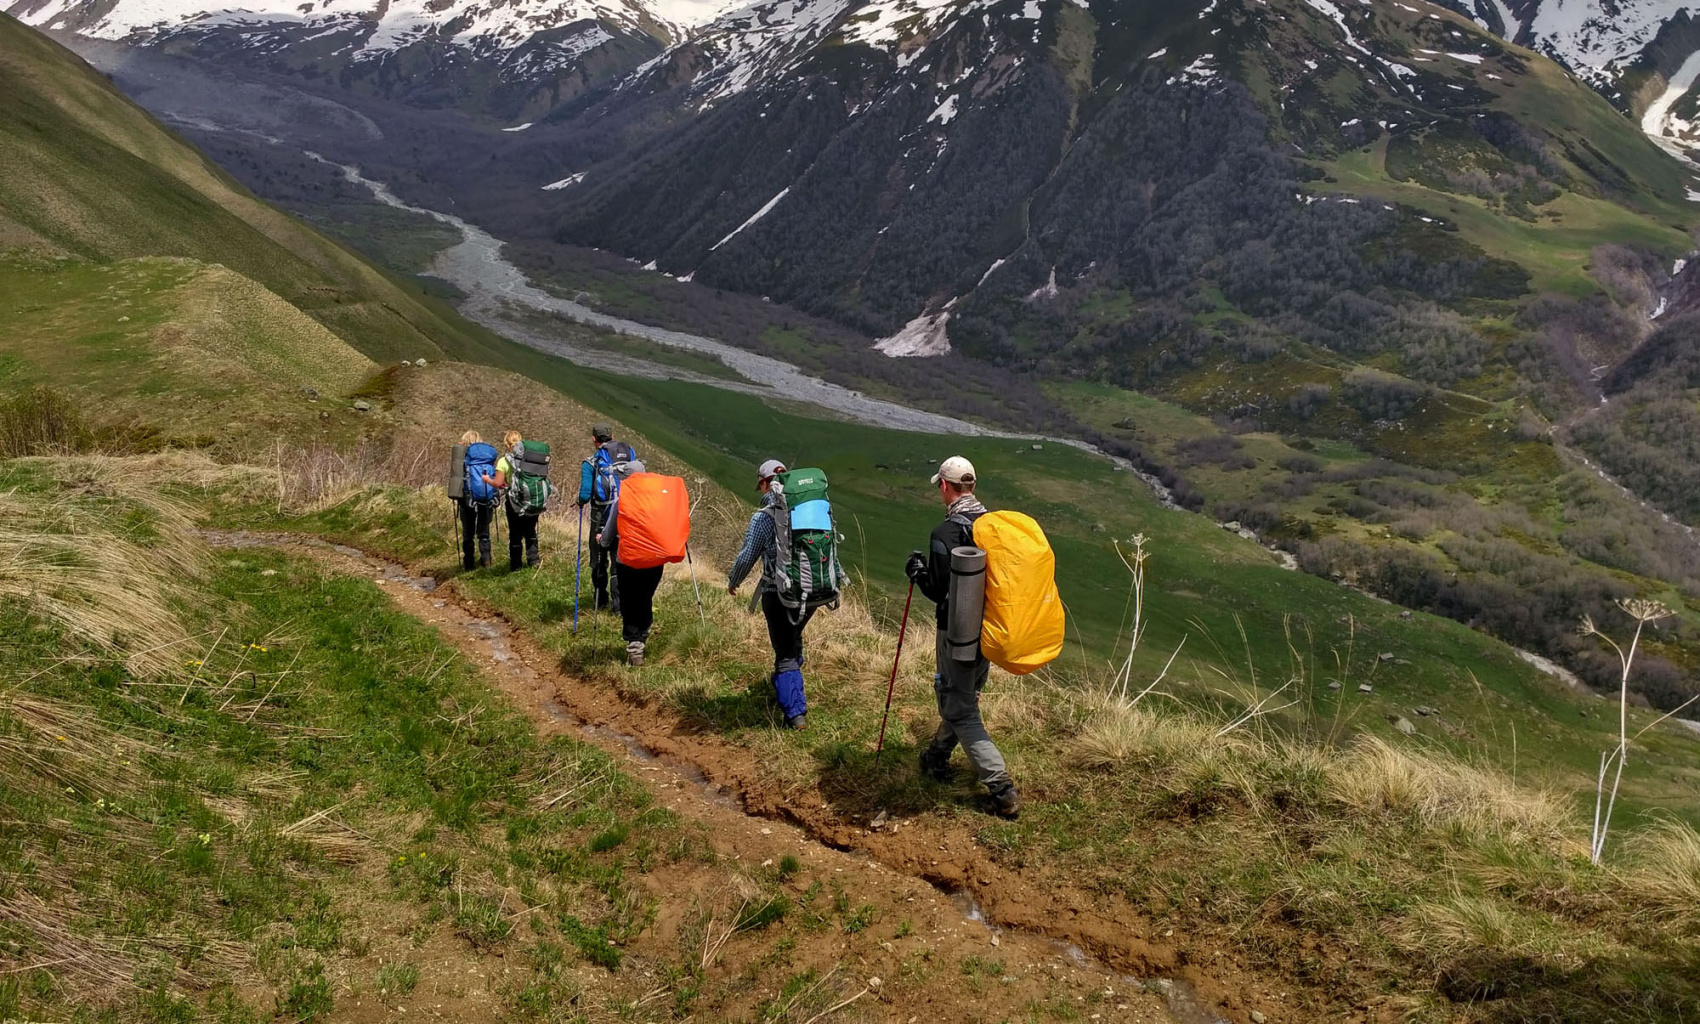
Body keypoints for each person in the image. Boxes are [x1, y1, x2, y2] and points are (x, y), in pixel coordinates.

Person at [904, 456, 1020, 819]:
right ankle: (936, 757)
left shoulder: (946, 533)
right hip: (990, 630)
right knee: (963, 696)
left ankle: (1001, 788)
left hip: (957, 633)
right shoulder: (993, 526)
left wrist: (918, 573)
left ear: (944, 486)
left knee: (960, 707)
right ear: (972, 485)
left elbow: (938, 591)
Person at [727, 459, 811, 730]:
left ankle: (795, 714)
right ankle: (787, 685)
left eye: (761, 485)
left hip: (777, 594)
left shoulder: (762, 518)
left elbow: (747, 556)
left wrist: (734, 581)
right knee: (793, 638)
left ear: (764, 484)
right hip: (811, 592)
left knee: (785, 652)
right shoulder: (806, 509)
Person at [594, 457, 658, 666]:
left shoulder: (621, 501)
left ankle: (634, 647)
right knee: (645, 596)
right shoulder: (659, 499)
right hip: (654, 560)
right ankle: (644, 632)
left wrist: (601, 540)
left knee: (629, 601)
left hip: (628, 560)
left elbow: (608, 535)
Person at [577, 424, 636, 612]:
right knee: (618, 561)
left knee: (599, 559)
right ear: (612, 436)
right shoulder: (628, 459)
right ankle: (618, 606)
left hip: (600, 517)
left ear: (594, 440)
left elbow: (585, 495)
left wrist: (579, 501)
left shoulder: (590, 463)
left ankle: (600, 599)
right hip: (624, 516)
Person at [483, 430, 541, 571]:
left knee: (515, 533)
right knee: (530, 530)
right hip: (531, 500)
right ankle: (533, 561)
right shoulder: (530, 458)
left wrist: (487, 480)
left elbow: (497, 483)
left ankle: (516, 565)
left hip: (513, 501)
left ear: (507, 445)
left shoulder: (504, 461)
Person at [456, 429, 495, 571]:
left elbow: (457, 477)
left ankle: (469, 564)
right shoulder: (488, 456)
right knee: (484, 531)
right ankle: (486, 561)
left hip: (467, 498)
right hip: (486, 496)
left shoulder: (464, 455)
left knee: (468, 532)